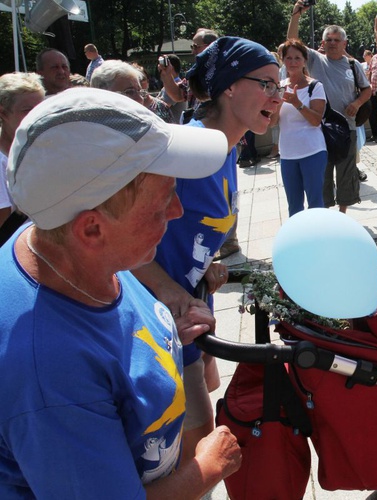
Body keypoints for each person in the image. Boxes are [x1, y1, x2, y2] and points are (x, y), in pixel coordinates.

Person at [0, 87, 241, 497]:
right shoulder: (48, 374)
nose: (177, 211)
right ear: (91, 228)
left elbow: (110, 338)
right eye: (161, 201)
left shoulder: (62, 242)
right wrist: (206, 467)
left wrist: (163, 334)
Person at [132, 37, 282, 465]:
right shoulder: (185, 149)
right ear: (230, 86)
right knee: (198, 452)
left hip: (190, 309)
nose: (278, 95)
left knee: (203, 423)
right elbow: (117, 238)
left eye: (280, 86)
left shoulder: (226, 149)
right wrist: (171, 291)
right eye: (267, 84)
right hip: (156, 318)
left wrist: (206, 263)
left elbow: (187, 227)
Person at [288, 2, 372, 213]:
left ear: (345, 43)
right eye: (328, 40)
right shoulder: (316, 60)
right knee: (322, 174)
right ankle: (325, 214)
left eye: (337, 40)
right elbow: (292, 42)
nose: (332, 43)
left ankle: (342, 215)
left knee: (346, 172)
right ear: (323, 43)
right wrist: (296, 16)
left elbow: (367, 90)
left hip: (347, 127)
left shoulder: (352, 65)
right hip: (319, 127)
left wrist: (357, 103)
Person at [272, 38, 327, 217]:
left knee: (315, 203)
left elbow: (316, 120)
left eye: (297, 58)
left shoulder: (315, 86)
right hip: (288, 153)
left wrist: (297, 103)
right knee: (294, 206)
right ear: (283, 60)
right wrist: (278, 102)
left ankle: (318, 241)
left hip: (312, 151)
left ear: (304, 60)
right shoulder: (278, 87)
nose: (293, 62)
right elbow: (272, 122)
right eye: (288, 58)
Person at [0, 72, 45, 245]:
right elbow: (4, 226)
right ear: (3, 113)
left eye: (41, 109)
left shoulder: (38, 150)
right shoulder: (1, 162)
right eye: (27, 110)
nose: (37, 117)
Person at [156, 54, 188, 124]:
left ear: (171, 68)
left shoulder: (175, 86)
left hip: (175, 129)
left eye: (162, 66)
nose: (159, 70)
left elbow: (160, 107)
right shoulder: (172, 85)